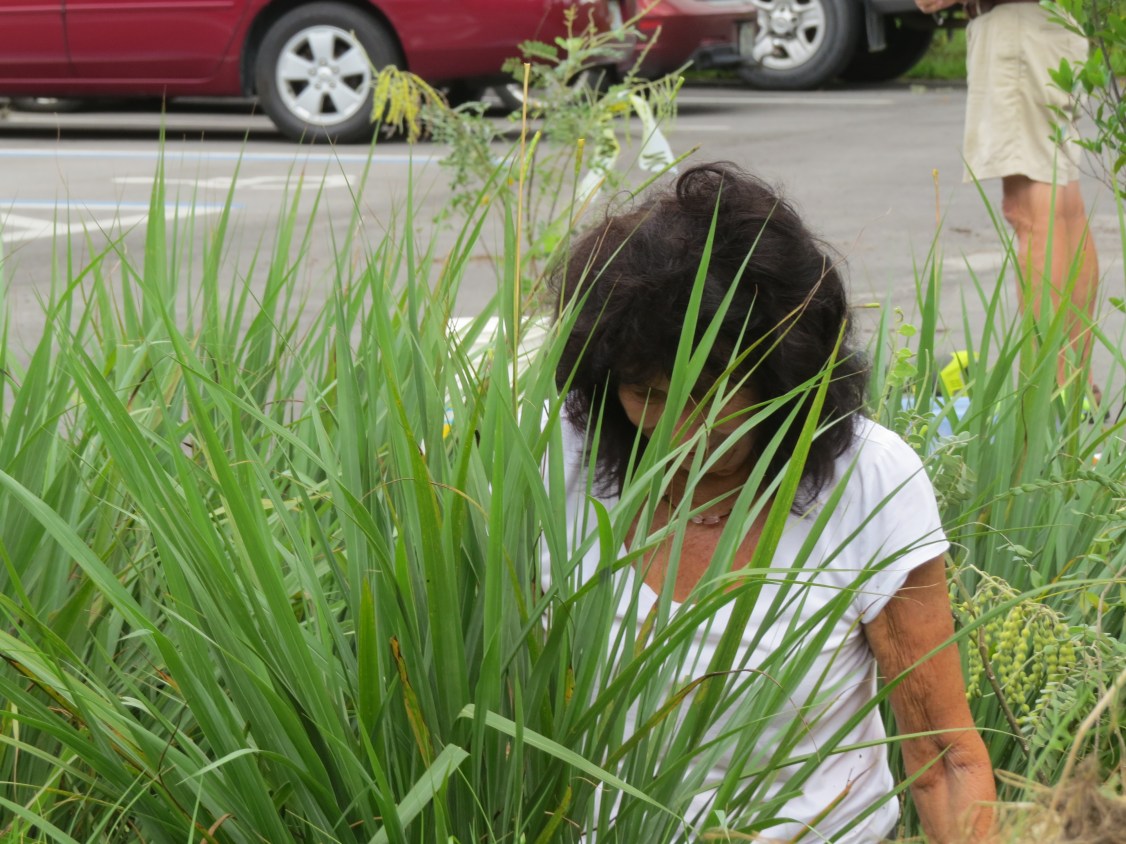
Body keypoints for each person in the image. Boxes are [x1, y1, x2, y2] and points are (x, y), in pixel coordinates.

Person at [545, 164, 995, 842]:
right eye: (651, 395)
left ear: (785, 369)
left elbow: (942, 759)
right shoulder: (559, 464)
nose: (685, 432)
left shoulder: (866, 481)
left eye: (716, 390)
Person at [916, 0, 1100, 400]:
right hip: (1050, 25)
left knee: (1032, 212)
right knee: (1064, 206)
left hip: (1019, 31)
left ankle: (1050, 384)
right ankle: (1073, 384)